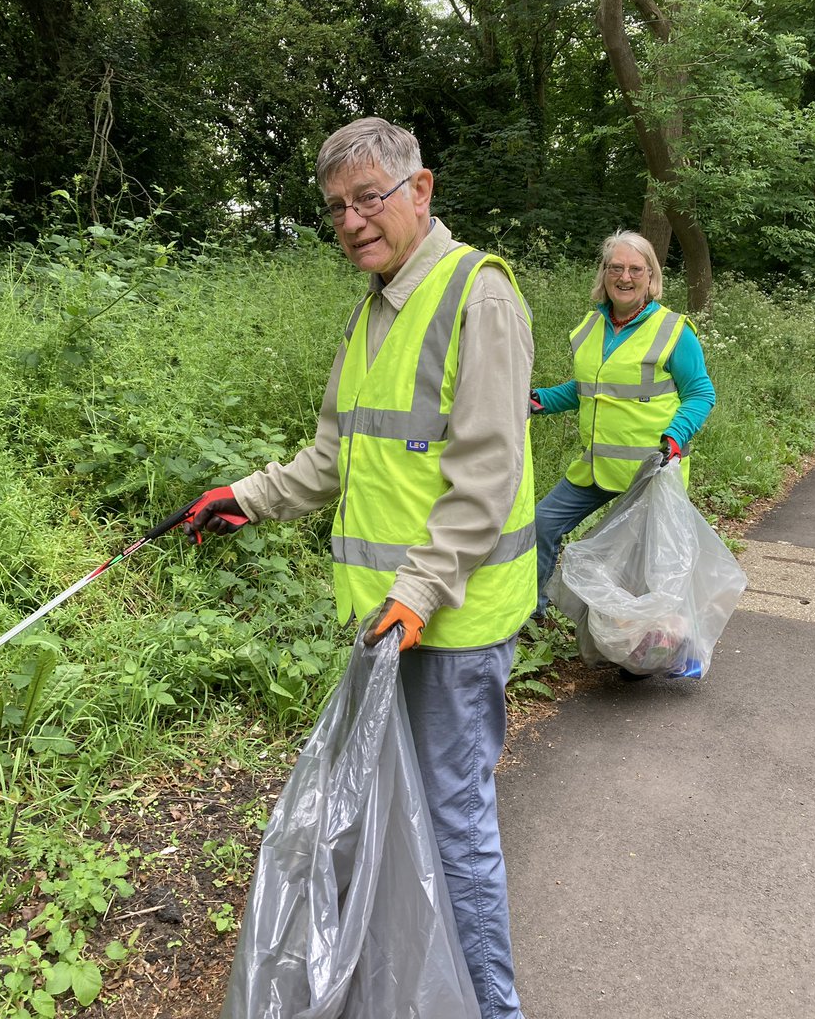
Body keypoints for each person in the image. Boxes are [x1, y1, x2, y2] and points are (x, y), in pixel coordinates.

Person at [184, 117, 537, 1019]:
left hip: (449, 621)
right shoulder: (376, 306)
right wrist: (246, 497)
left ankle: (492, 1008)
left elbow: (485, 475)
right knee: (391, 818)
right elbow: (336, 457)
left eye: (369, 197)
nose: (350, 220)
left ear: (422, 191)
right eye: (336, 206)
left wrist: (417, 595)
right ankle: (404, 985)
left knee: (450, 827)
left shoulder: (477, 295)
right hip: (389, 621)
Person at [530, 229, 715, 623]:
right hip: (595, 467)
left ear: (651, 277)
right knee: (541, 524)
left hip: (649, 471)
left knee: (641, 567)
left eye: (635, 269)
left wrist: (675, 437)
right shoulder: (589, 328)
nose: (625, 277)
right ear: (604, 274)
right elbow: (586, 390)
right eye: (616, 267)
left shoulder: (673, 331)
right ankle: (533, 613)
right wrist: (538, 401)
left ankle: (644, 640)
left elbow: (701, 394)